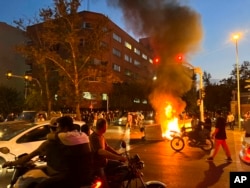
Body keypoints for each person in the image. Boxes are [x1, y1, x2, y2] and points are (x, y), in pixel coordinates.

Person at [2, 116, 93, 188]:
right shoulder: (82, 136)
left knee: (41, 186)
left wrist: (10, 163)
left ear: (64, 128)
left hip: (67, 176)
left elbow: (30, 156)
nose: (57, 130)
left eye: (59, 128)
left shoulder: (56, 141)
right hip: (84, 173)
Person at [89, 118, 127, 188]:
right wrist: (118, 157)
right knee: (105, 186)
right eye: (106, 126)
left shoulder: (101, 136)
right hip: (98, 166)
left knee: (122, 167)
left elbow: (107, 147)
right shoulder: (94, 137)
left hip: (105, 162)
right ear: (103, 127)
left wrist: (118, 154)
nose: (107, 127)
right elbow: (101, 152)